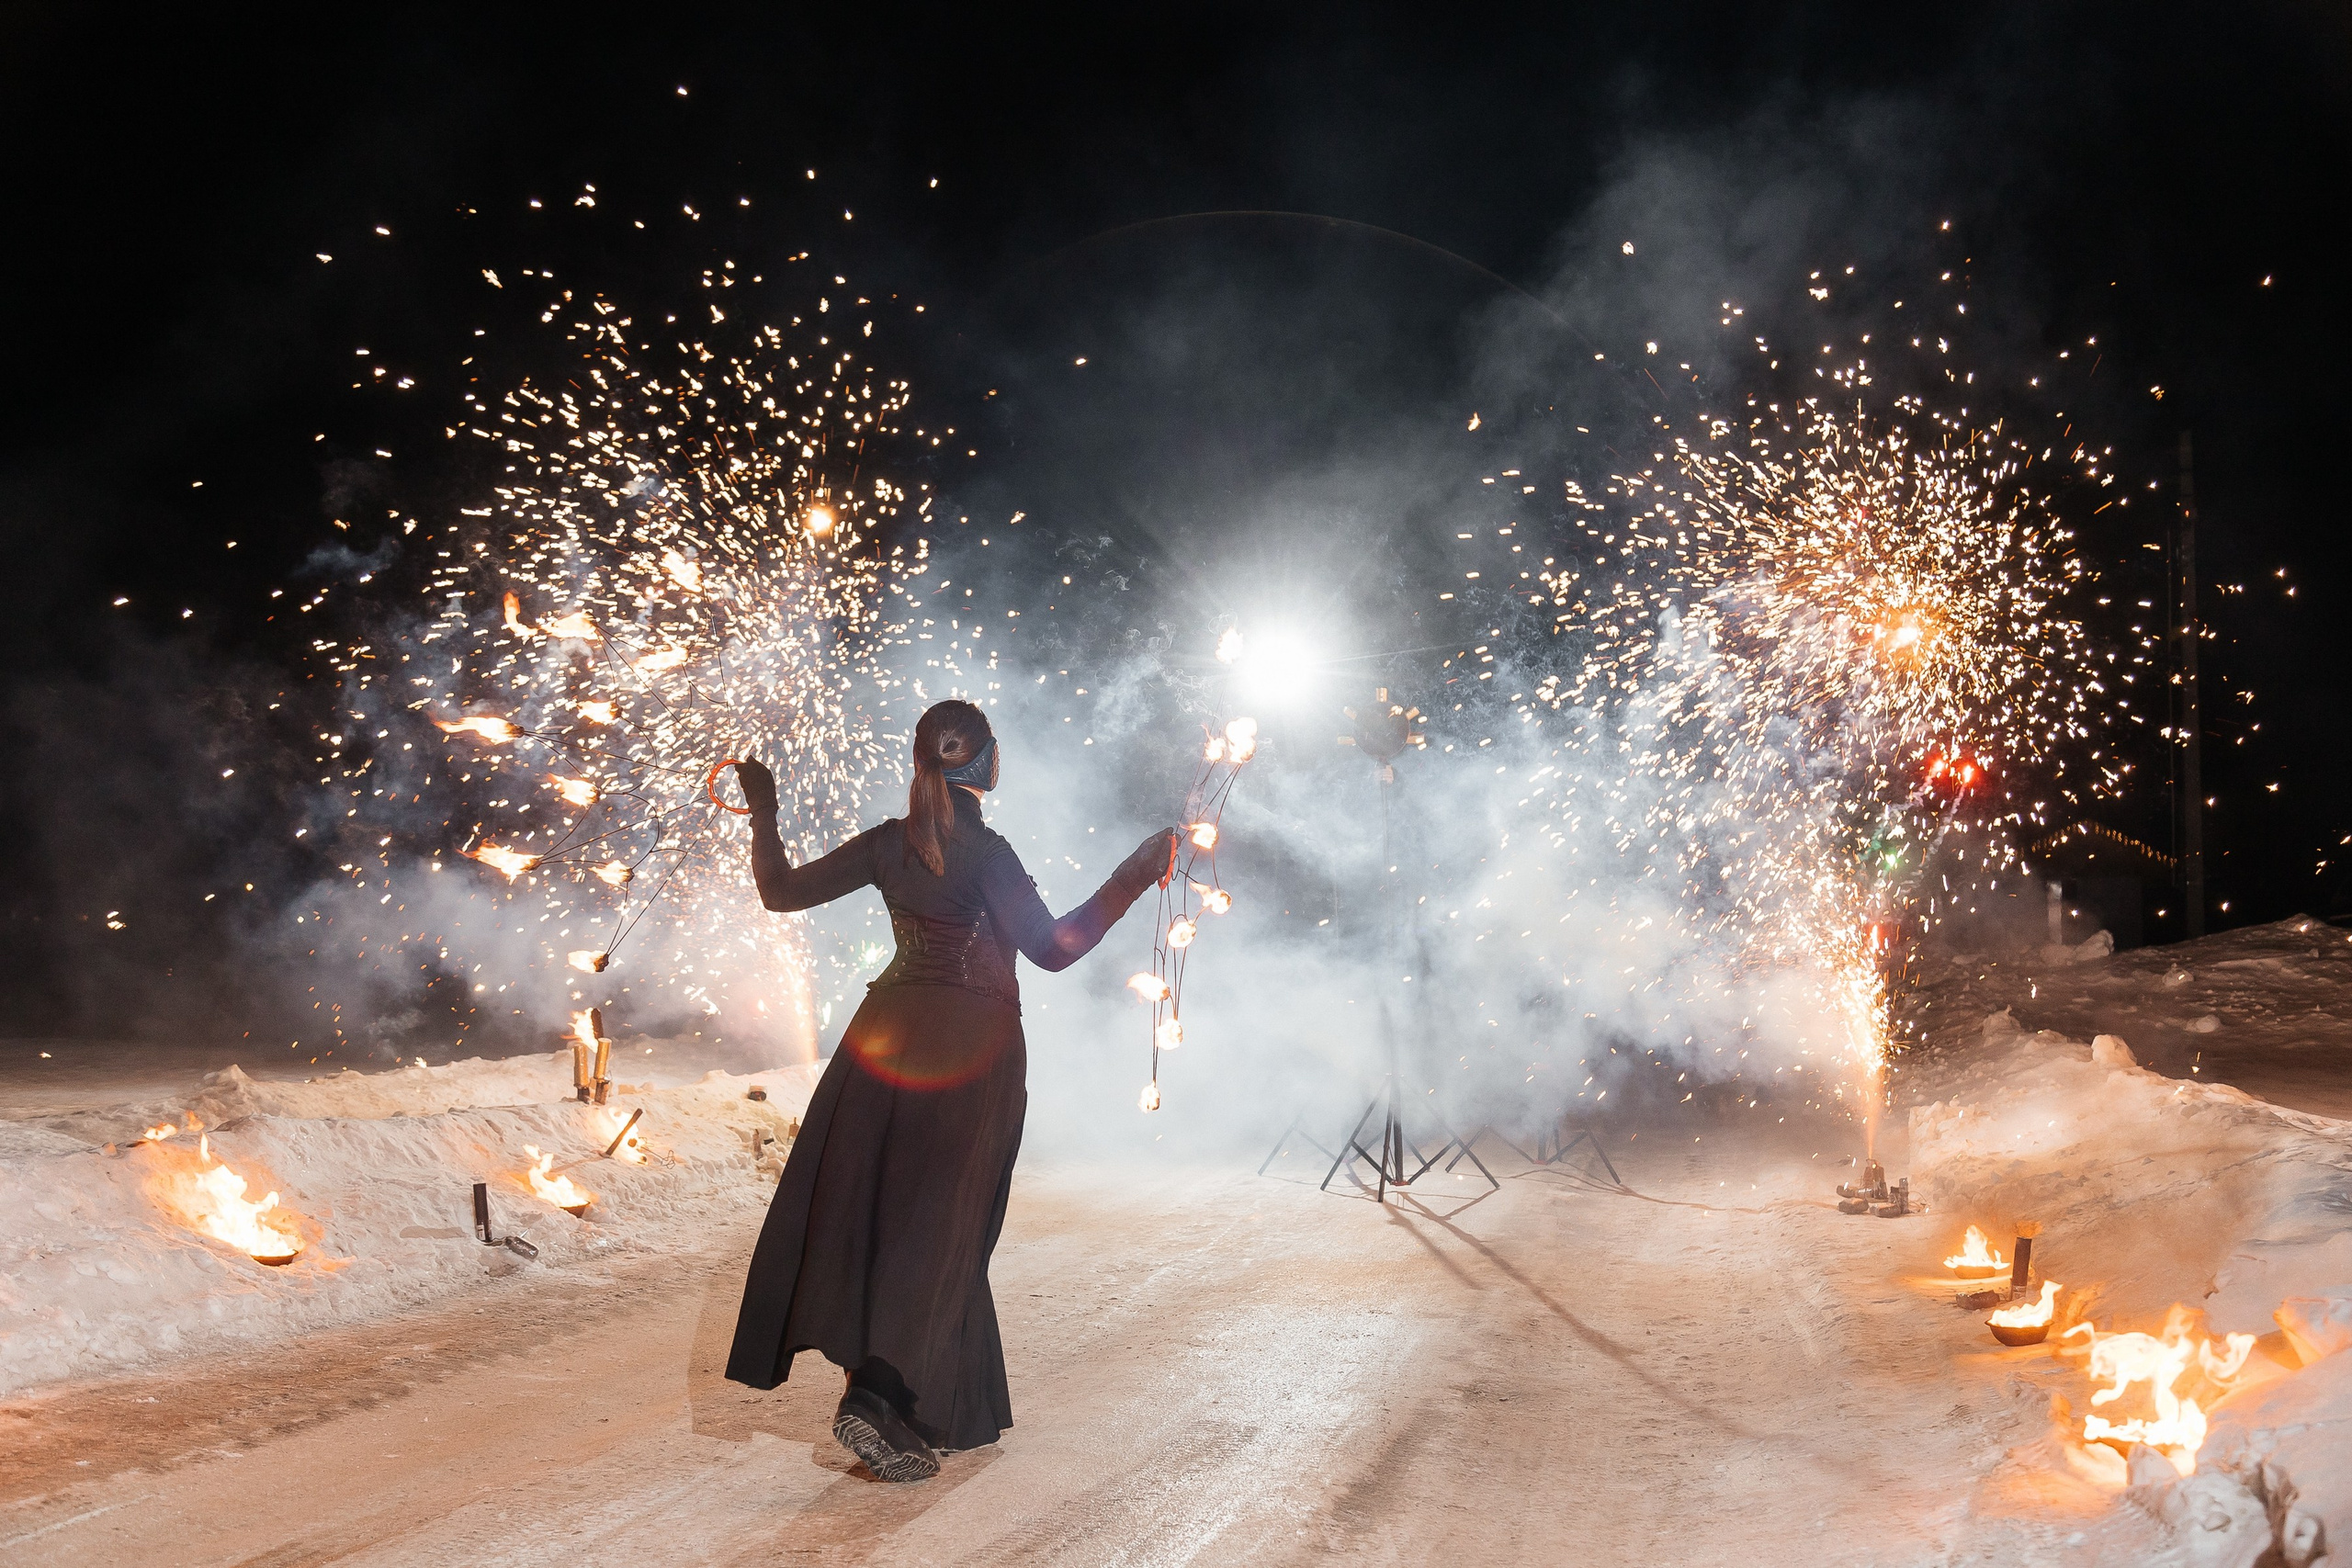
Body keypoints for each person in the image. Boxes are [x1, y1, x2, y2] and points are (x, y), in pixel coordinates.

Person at [722, 698, 1175, 1482]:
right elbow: (1055, 948)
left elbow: (780, 890)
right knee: (944, 1229)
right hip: (972, 1051)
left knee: (882, 1217)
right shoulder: (988, 853)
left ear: (922, 762)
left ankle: (916, 1404)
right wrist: (1137, 872)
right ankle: (875, 1396)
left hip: (882, 1043)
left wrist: (763, 809)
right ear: (987, 764)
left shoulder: (890, 845)